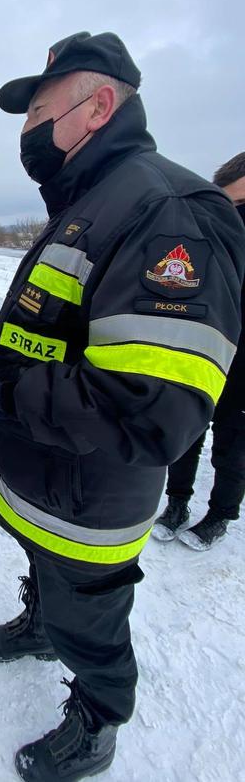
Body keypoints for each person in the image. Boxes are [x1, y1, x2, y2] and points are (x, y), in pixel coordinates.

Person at [0, 32, 245, 780]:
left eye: (37, 111)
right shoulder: (92, 198)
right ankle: (44, 623)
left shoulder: (165, 210)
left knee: (94, 620)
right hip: (45, 473)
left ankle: (97, 719)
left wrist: (4, 391)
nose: (25, 132)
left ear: (98, 105)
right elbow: (61, 329)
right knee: (50, 579)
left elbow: (151, 407)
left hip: (91, 498)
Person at [153, 152, 245, 550]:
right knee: (187, 429)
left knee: (233, 441)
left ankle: (221, 515)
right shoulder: (206, 219)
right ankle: (176, 504)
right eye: (231, 203)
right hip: (202, 347)